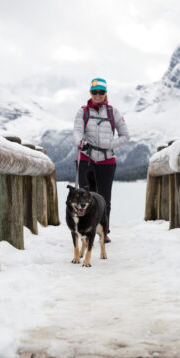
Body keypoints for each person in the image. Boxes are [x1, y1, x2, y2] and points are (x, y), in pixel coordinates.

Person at [73, 77, 129, 243]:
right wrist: (80, 142)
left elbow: (126, 136)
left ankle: (103, 231)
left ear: (106, 93)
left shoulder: (114, 112)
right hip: (86, 158)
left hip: (107, 161)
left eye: (101, 92)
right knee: (84, 197)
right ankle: (84, 230)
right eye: (94, 92)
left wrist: (110, 144)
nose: (98, 95)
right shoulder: (82, 112)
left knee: (104, 198)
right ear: (90, 93)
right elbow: (77, 132)